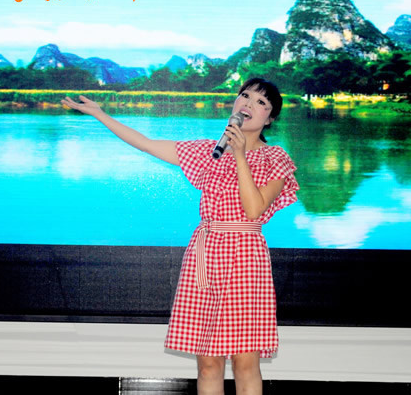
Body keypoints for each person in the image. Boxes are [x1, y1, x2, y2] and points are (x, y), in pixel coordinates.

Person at [61, 77, 299, 395]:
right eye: (245, 95)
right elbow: (146, 143)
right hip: (206, 254)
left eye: (261, 102)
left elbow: (254, 209)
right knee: (208, 364)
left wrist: (240, 155)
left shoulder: (275, 158)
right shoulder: (208, 151)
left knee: (245, 362)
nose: (248, 104)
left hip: (245, 258)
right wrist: (100, 114)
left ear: (269, 118)